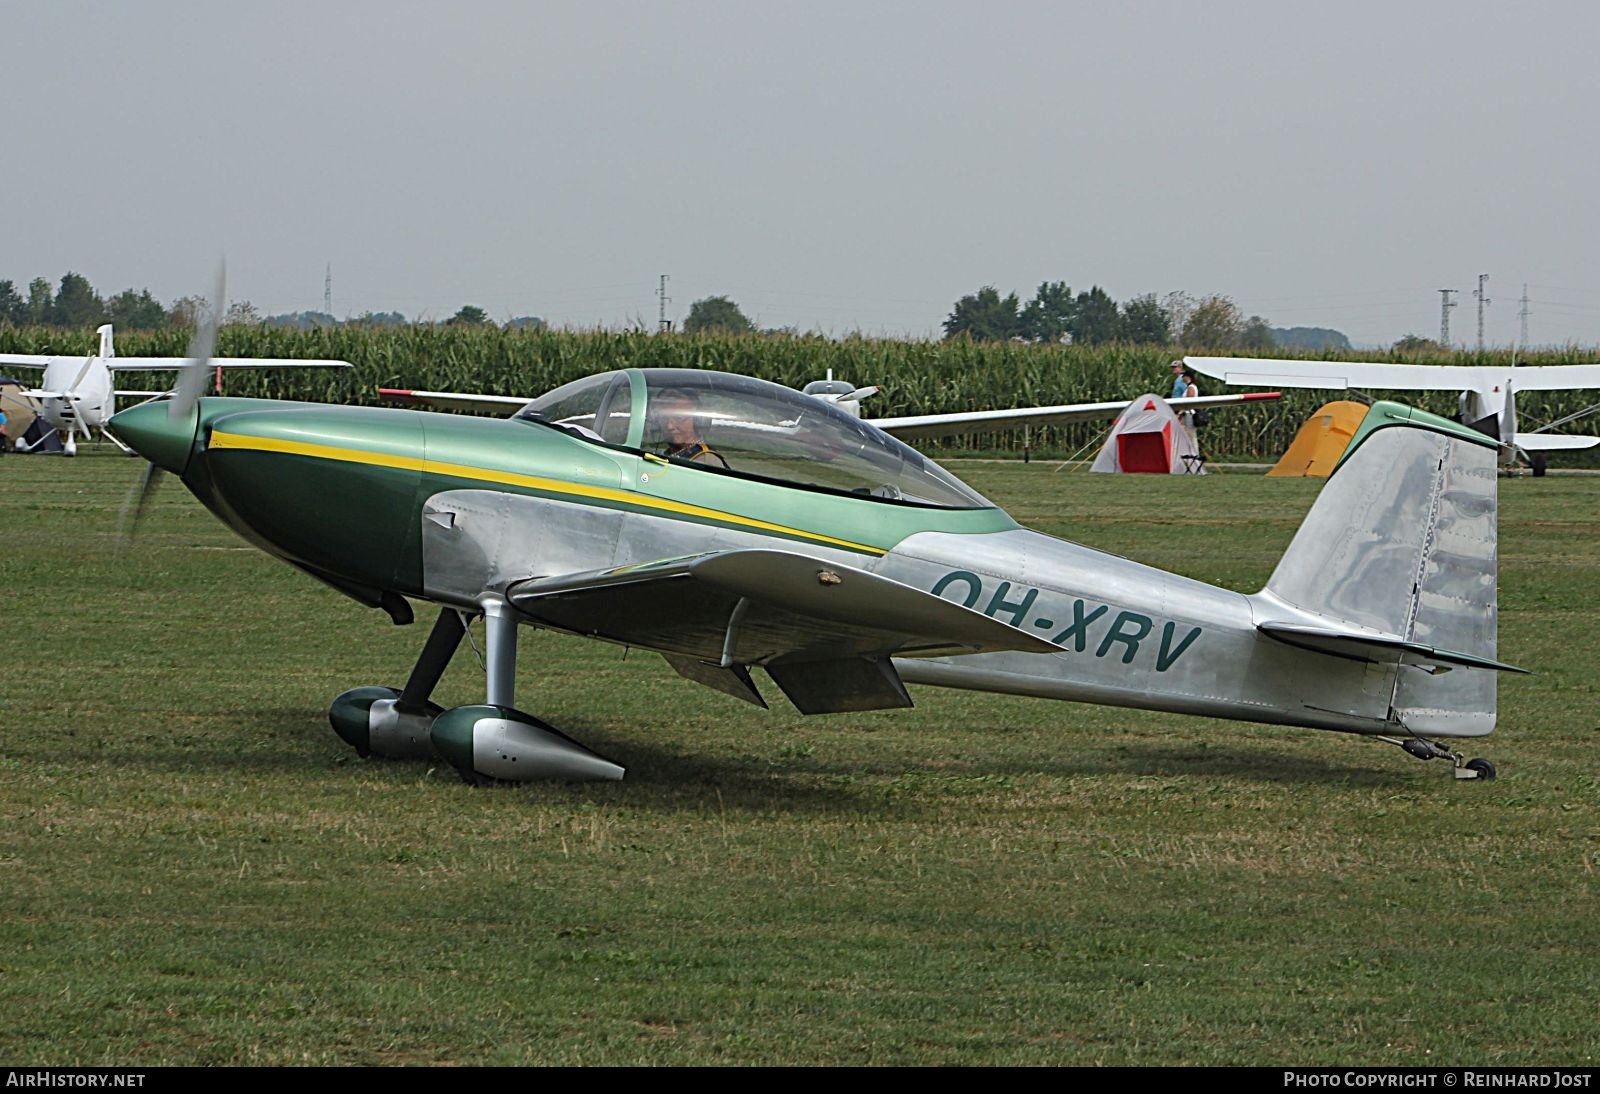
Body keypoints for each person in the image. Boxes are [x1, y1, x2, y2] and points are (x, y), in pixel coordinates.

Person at [653, 389, 729, 468]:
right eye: (664, 418)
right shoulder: (664, 454)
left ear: (698, 421)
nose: (669, 426)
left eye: (679, 417)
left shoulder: (707, 461)